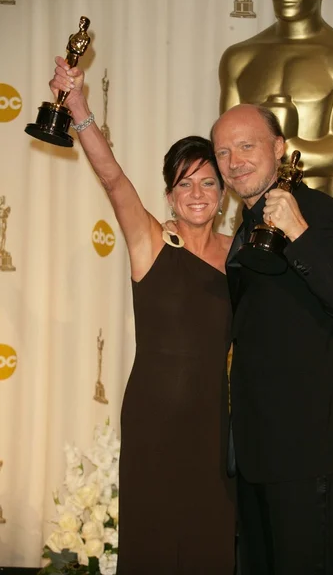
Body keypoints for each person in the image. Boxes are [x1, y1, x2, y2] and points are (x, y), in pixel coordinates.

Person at [49, 56, 235, 575]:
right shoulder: (150, 241)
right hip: (152, 416)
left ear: (222, 195)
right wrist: (79, 106)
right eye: (184, 184)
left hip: (211, 422)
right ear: (169, 194)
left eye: (207, 183)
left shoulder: (240, 253)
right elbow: (112, 178)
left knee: (209, 536)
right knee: (152, 538)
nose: (196, 194)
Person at [211, 103, 333, 575]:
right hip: (255, 455)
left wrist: (298, 231)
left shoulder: (322, 214)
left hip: (307, 453)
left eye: (246, 145)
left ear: (279, 148)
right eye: (223, 151)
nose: (234, 160)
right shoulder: (243, 228)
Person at [219, 0, 333, 196]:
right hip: (252, 212)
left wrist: (271, 149)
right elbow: (226, 146)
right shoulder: (239, 58)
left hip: (313, 211)